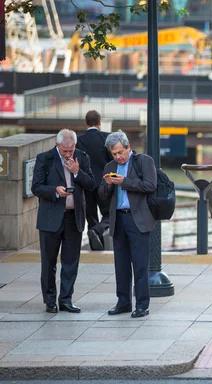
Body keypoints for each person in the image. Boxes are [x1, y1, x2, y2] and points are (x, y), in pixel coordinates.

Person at [31, 129, 95, 313]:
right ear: (57, 145)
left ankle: (66, 299)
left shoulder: (82, 157)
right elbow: (36, 187)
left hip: (73, 217)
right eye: (65, 151)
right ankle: (50, 300)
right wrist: (55, 191)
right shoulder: (45, 158)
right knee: (48, 262)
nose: (68, 154)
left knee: (71, 261)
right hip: (50, 217)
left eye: (71, 150)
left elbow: (91, 184)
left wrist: (77, 172)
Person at [98, 131, 157, 318]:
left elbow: (150, 185)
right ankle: (123, 302)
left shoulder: (144, 161)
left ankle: (142, 305)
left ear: (128, 146)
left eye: (120, 152)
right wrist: (108, 185)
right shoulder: (109, 166)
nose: (118, 157)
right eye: (114, 154)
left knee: (140, 264)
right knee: (121, 264)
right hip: (119, 219)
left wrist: (125, 182)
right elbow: (101, 195)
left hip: (138, 218)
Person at [76, 110, 112, 250]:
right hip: (104, 184)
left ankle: (96, 248)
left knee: (91, 217)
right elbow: (111, 161)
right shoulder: (106, 139)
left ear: (85, 123)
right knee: (109, 214)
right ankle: (97, 231)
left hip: (87, 185)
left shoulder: (79, 140)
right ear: (99, 123)